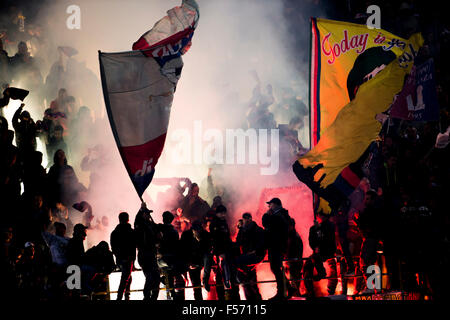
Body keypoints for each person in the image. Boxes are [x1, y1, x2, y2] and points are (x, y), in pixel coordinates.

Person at [262, 197, 294, 300]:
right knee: (276, 268)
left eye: (270, 204)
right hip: (278, 245)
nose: (269, 207)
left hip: (276, 246)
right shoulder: (282, 215)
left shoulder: (278, 216)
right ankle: (288, 287)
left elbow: (265, 222)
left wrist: (266, 214)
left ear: (275, 204)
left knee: (275, 268)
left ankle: (281, 292)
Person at [303, 211, 338, 298]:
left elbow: (327, 239)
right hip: (326, 252)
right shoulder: (325, 226)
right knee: (310, 265)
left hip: (325, 252)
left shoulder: (328, 226)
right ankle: (329, 290)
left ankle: (314, 289)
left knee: (309, 264)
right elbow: (312, 241)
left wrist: (317, 247)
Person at [235, 212, 266, 301]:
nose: (246, 220)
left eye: (248, 218)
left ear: (251, 218)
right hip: (246, 259)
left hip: (251, 257)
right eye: (245, 218)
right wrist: (240, 229)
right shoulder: (243, 230)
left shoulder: (257, 229)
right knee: (247, 283)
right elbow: (238, 242)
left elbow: (261, 243)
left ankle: (257, 299)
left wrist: (255, 251)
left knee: (250, 282)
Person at [134, 203, 161, 301]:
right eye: (147, 213)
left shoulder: (151, 225)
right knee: (149, 276)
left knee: (156, 277)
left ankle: (153, 297)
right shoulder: (140, 225)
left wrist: (158, 235)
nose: (149, 215)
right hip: (144, 254)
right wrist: (141, 209)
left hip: (151, 254)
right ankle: (146, 297)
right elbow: (137, 220)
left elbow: (157, 232)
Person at [157, 211, 185, 300]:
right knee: (170, 276)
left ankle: (170, 291)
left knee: (165, 276)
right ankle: (172, 293)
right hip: (173, 259)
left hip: (162, 259)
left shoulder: (160, 228)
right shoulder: (174, 232)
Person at [180, 220, 211, 300]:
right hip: (191, 262)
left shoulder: (205, 234)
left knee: (207, 257)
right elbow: (182, 251)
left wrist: (200, 240)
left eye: (199, 230)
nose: (197, 231)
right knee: (196, 285)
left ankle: (205, 281)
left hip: (201, 260)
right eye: (195, 230)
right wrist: (188, 263)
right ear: (192, 229)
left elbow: (207, 249)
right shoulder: (186, 235)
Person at [110, 212, 136, 301]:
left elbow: (113, 247)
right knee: (125, 279)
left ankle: (126, 296)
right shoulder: (131, 232)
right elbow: (133, 247)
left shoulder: (114, 232)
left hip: (120, 260)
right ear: (128, 219)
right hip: (128, 260)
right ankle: (120, 297)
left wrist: (118, 256)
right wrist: (133, 260)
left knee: (127, 277)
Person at [285, 218, 303, 297]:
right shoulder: (294, 235)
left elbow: (292, 249)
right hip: (294, 261)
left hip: (294, 262)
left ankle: (295, 296)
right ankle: (296, 295)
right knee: (294, 281)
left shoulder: (293, 236)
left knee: (294, 281)